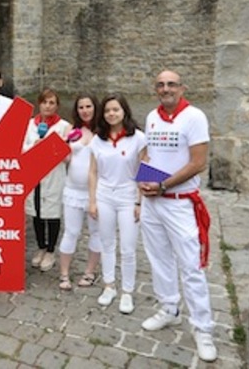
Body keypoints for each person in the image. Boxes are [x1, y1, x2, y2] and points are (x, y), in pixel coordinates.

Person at [138, 70, 217, 362]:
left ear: (182, 87)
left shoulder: (194, 117)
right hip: (153, 202)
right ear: (155, 89)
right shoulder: (152, 117)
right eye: (160, 84)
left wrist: (163, 185)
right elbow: (151, 153)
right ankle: (169, 308)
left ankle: (203, 327)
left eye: (171, 84)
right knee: (159, 259)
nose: (165, 88)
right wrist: (144, 177)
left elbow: (198, 163)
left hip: (180, 203)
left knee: (191, 265)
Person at [88, 93, 146, 314]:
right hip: (104, 195)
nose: (112, 114)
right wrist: (92, 201)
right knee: (107, 243)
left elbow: (144, 170)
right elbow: (92, 172)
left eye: (116, 110)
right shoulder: (97, 139)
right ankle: (109, 285)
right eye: (107, 110)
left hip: (127, 195)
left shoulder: (138, 138)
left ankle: (127, 292)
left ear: (124, 112)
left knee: (128, 248)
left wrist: (140, 202)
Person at [58, 94, 102, 290]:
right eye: (81, 107)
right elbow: (66, 159)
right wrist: (63, 145)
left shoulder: (103, 131)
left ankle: (90, 272)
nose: (85, 110)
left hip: (96, 192)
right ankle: (64, 274)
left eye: (88, 106)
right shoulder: (71, 129)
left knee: (96, 233)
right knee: (71, 232)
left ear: (95, 107)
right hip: (73, 189)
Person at [25, 88, 71, 272]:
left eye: (52, 103)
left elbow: (67, 153)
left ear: (57, 106)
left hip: (53, 175)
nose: (48, 106)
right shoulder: (30, 125)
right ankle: (41, 247)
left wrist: (50, 148)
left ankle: (51, 250)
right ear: (39, 104)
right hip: (34, 174)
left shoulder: (64, 127)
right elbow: (21, 146)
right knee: (36, 212)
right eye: (45, 102)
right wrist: (33, 146)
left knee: (51, 213)